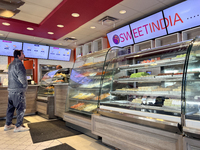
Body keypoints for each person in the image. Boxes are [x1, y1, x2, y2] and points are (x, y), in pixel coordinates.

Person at [4, 50, 29, 132]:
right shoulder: (19, 64)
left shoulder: (10, 64)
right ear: (18, 56)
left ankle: (7, 124)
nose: (24, 55)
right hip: (18, 91)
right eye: (22, 54)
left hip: (10, 91)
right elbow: (22, 78)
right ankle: (18, 126)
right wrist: (25, 86)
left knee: (10, 108)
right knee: (20, 108)